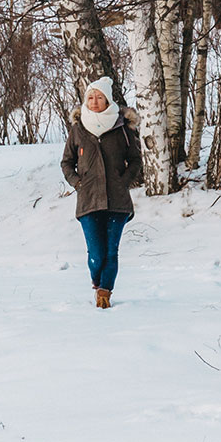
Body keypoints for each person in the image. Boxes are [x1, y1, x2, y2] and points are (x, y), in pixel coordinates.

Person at [59, 76, 142, 309]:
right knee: (96, 254)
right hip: (88, 200)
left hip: (118, 200)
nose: (94, 102)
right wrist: (77, 183)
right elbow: (67, 162)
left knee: (111, 251)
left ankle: (105, 292)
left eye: (99, 97)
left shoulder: (122, 127)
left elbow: (135, 160)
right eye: (91, 97)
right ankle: (97, 281)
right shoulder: (78, 129)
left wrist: (123, 181)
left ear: (108, 100)